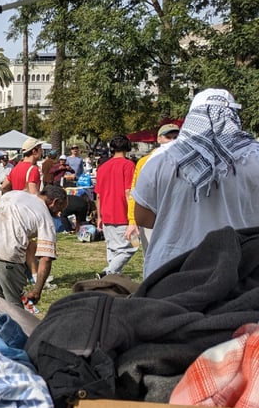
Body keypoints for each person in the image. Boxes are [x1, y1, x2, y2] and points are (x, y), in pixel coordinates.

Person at [133, 88, 259, 278]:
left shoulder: (162, 157)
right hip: (239, 272)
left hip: (171, 270)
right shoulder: (254, 157)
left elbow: (143, 217)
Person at [0, 185, 68, 309]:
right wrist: (37, 290)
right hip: (8, 256)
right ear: (54, 202)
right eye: (60, 209)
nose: (59, 214)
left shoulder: (12, 195)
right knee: (14, 307)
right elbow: (46, 258)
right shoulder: (45, 216)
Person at [125, 123, 179, 252]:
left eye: (176, 137)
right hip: (151, 216)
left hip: (176, 217)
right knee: (151, 255)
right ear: (159, 139)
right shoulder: (146, 161)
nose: (172, 141)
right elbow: (135, 193)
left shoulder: (185, 160)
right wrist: (132, 221)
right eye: (168, 137)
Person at [94, 135, 138, 278]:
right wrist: (133, 216)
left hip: (106, 213)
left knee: (112, 249)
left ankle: (112, 279)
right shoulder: (128, 165)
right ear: (127, 148)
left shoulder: (102, 167)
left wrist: (99, 215)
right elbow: (128, 192)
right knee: (132, 246)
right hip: (123, 213)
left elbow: (98, 195)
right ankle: (109, 273)